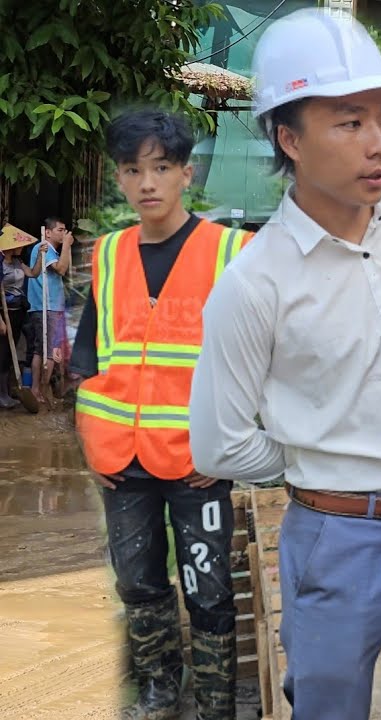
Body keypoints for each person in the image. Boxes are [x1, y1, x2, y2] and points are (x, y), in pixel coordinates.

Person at [188, 10, 381, 719]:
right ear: (289, 139)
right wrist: (318, 462)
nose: (379, 143)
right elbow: (217, 443)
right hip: (339, 539)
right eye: (350, 123)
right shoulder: (255, 283)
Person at [70, 109, 252, 720]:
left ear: (186, 173)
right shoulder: (108, 255)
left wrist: (227, 449)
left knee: (209, 587)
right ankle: (158, 693)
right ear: (119, 178)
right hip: (122, 461)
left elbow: (260, 364)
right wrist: (94, 444)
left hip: (198, 463)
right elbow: (90, 358)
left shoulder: (230, 252)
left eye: (162, 167)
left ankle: (216, 704)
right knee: (137, 581)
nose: (147, 182)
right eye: (132, 169)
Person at [25, 216, 72, 405]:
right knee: (49, 351)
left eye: (65, 230)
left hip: (49, 306)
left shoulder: (50, 250)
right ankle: (42, 391)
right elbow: (61, 269)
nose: (64, 233)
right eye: (60, 230)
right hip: (46, 306)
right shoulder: (43, 248)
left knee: (42, 350)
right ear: (48, 232)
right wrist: (67, 245)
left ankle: (37, 390)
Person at [1, 244, 32, 409]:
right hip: (5, 313)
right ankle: (2, 395)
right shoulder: (1, 265)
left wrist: (40, 258)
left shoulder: (18, 262)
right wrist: (0, 321)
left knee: (10, 353)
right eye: (18, 245)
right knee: (3, 353)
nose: (22, 248)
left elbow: (33, 273)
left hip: (18, 312)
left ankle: (6, 391)